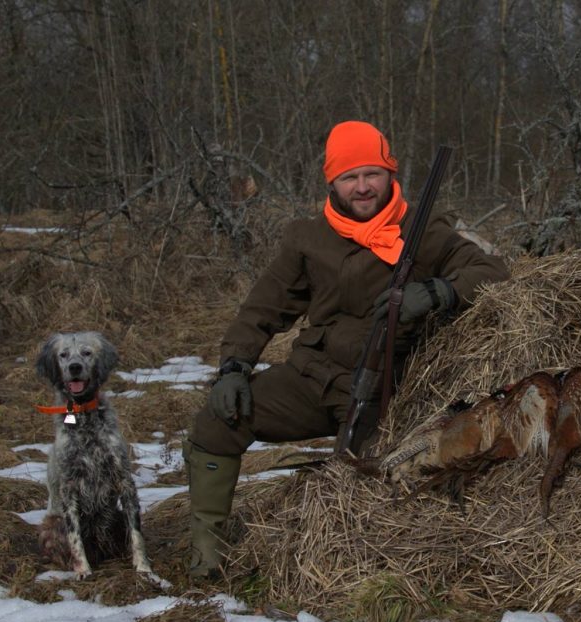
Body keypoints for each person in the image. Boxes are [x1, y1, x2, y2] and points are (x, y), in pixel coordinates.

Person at [183, 121, 509, 578]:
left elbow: (492, 270)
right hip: (312, 376)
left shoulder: (422, 227)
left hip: (389, 389)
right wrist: (234, 366)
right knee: (219, 419)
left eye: (372, 174)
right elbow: (264, 305)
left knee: (369, 483)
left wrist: (439, 292)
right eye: (349, 177)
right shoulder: (307, 238)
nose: (362, 187)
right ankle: (208, 557)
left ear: (389, 173)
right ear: (332, 181)